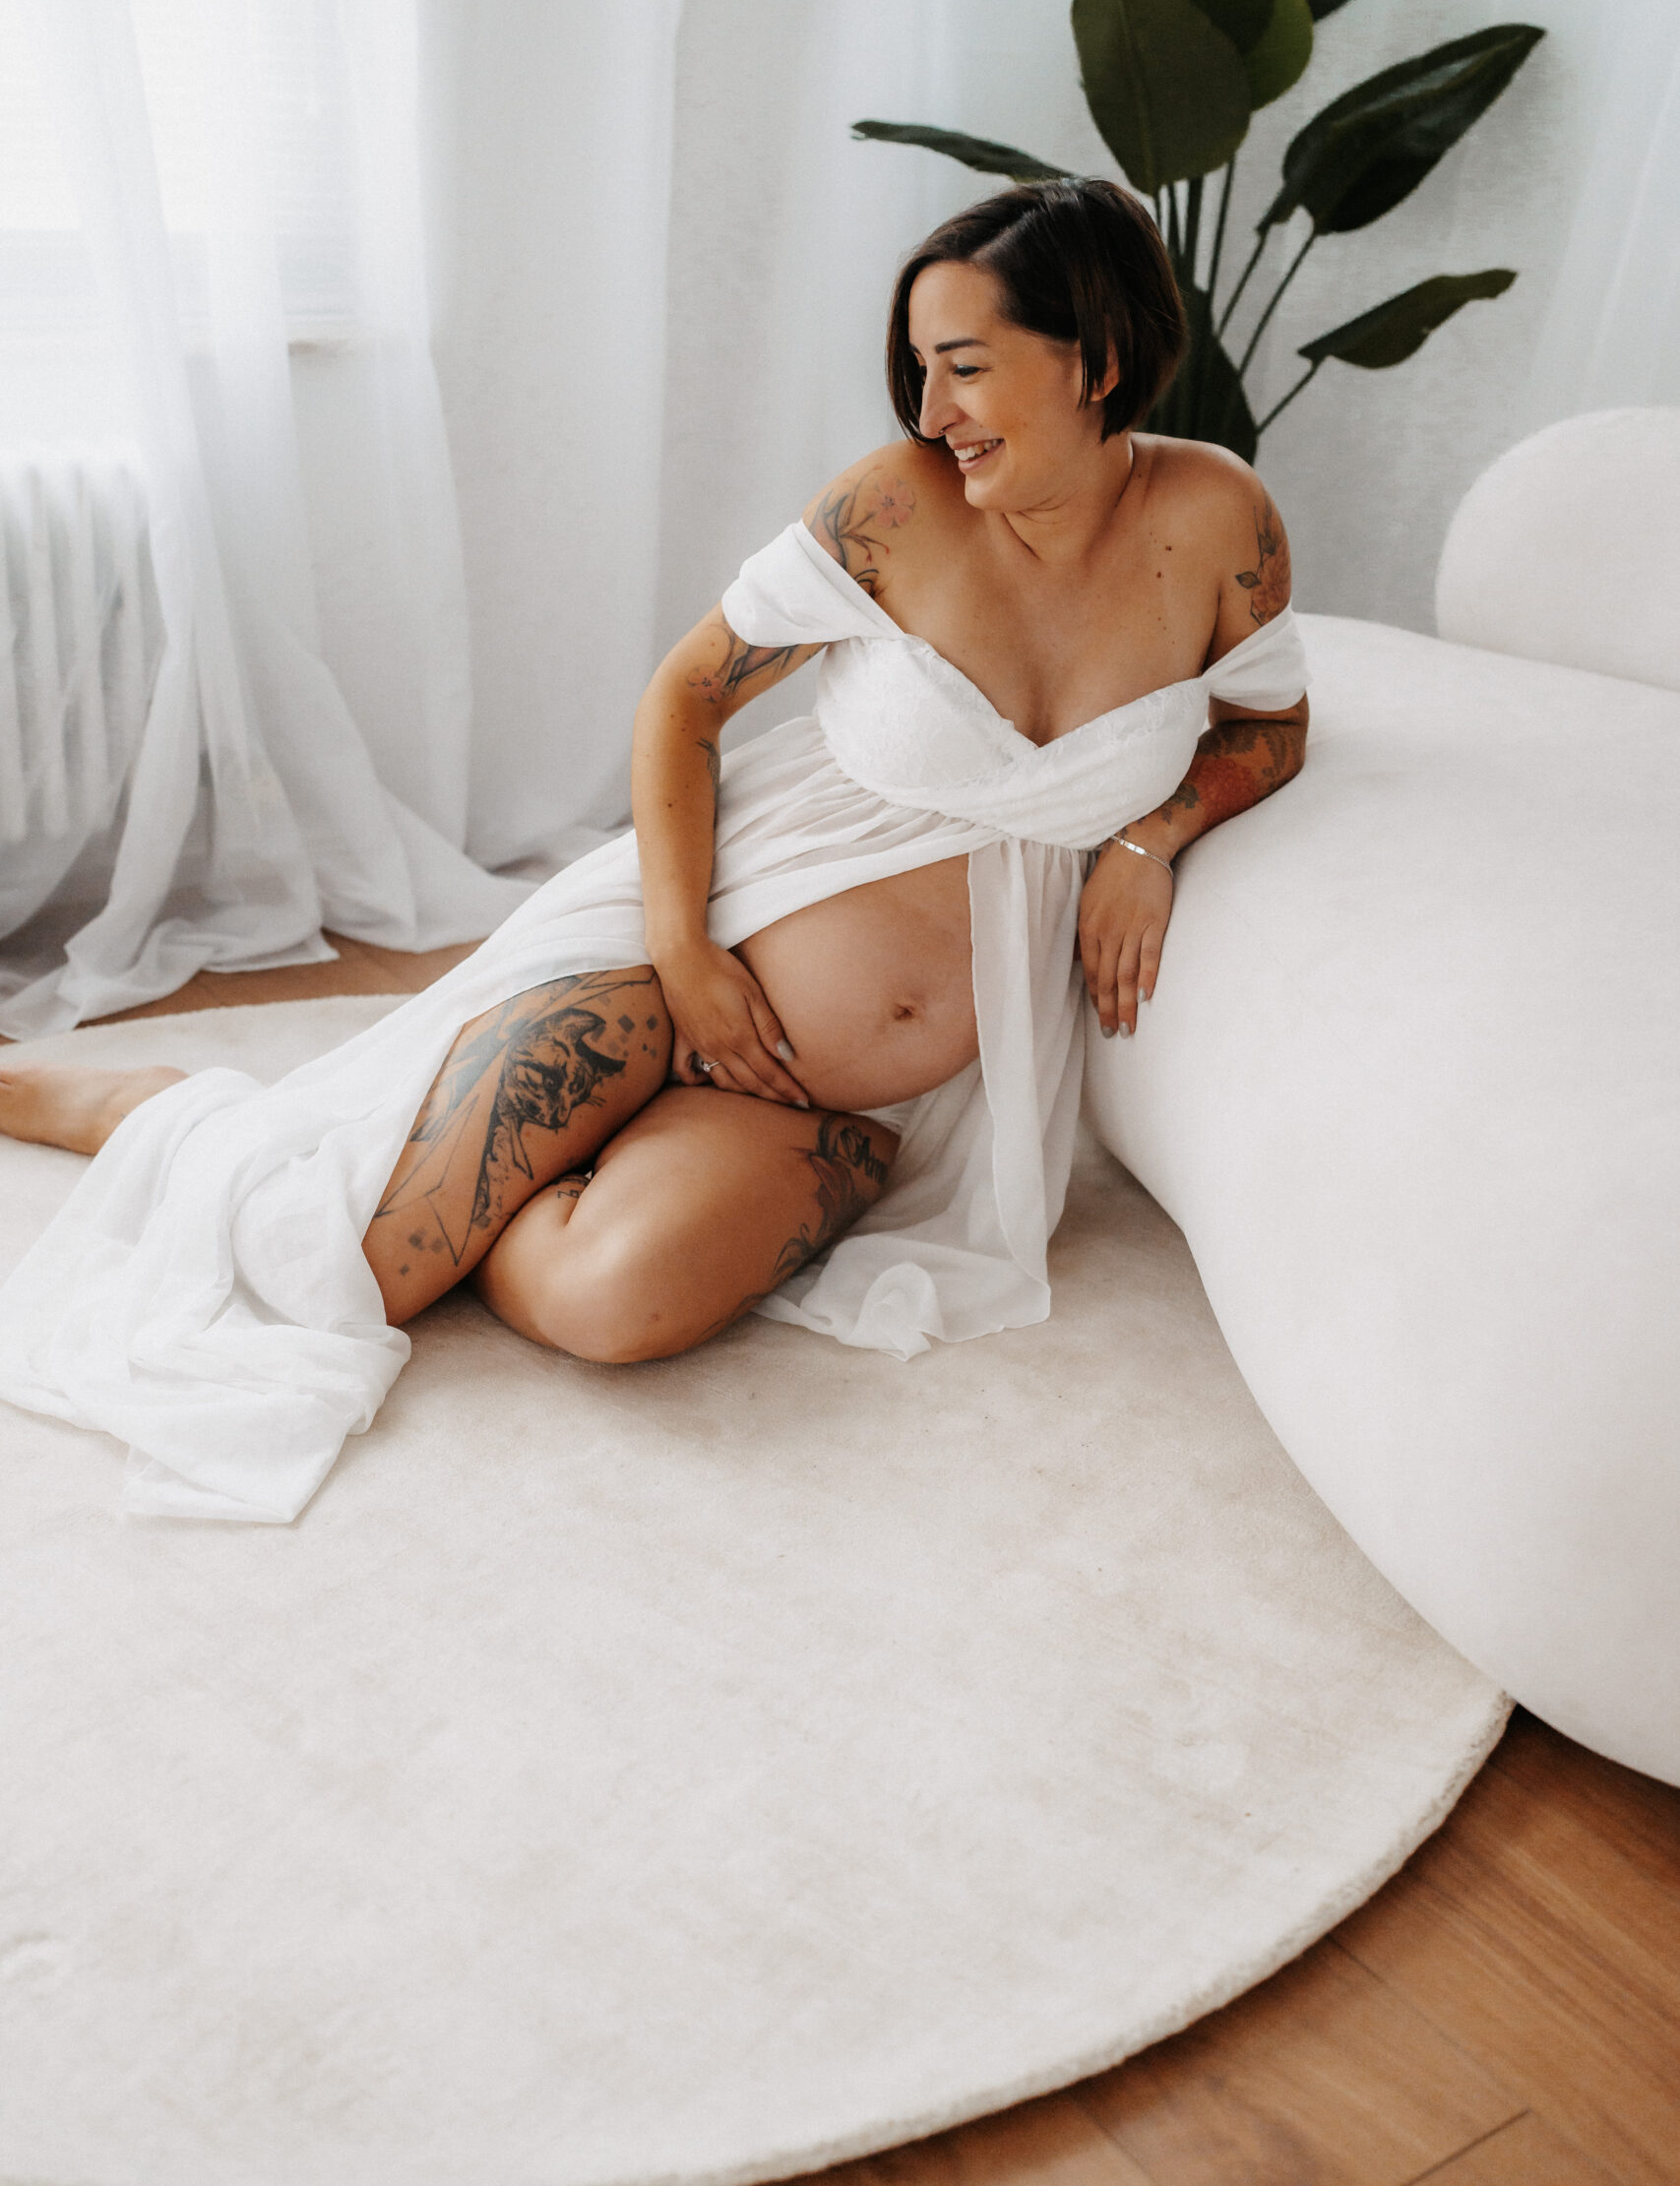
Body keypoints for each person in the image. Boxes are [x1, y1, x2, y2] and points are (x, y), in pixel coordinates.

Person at [0, 179, 1308, 1523]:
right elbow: (686, 698)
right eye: (919, 369)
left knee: (610, 1304)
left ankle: (487, 1161)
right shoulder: (897, 506)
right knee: (339, 1271)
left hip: (842, 1107)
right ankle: (144, 1106)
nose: (930, 414)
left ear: (1096, 355)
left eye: (964, 367)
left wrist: (1151, 837)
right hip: (675, 961)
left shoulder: (1219, 520)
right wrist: (686, 957)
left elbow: (1273, 725)